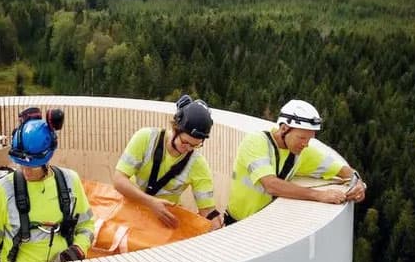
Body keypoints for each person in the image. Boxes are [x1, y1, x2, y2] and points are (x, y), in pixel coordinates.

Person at [0, 107, 95, 262]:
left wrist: (78, 249)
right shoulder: (0, 191)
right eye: (21, 164)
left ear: (47, 157)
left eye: (32, 166)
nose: (26, 171)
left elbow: (86, 225)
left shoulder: (70, 181)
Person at [226, 99, 367, 224]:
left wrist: (358, 183)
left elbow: (342, 170)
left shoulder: (301, 152)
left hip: (264, 225)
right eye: (301, 138)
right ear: (284, 129)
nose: (305, 144)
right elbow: (271, 185)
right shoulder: (256, 142)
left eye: (309, 139)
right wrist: (319, 195)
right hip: (238, 223)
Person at [112, 94, 224, 230]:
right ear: (176, 128)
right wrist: (151, 203)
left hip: (165, 222)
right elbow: (119, 180)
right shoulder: (145, 138)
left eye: (195, 146)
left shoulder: (198, 164)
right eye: (185, 142)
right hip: (132, 211)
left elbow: (208, 211)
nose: (188, 149)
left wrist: (216, 227)